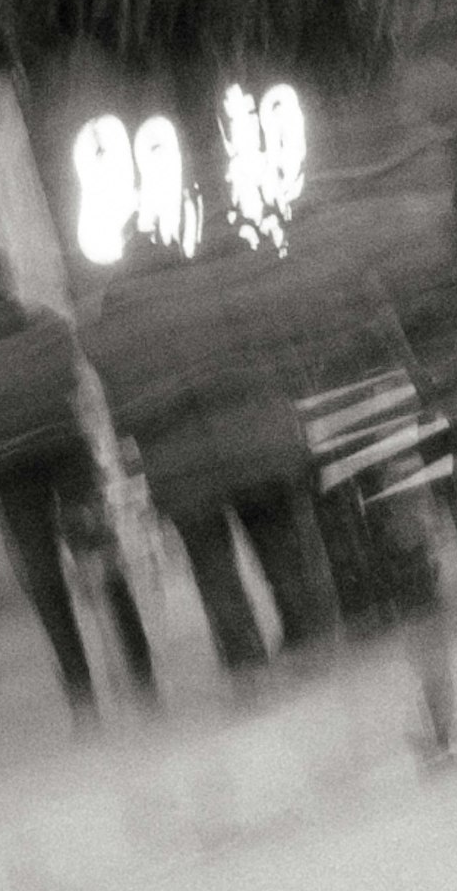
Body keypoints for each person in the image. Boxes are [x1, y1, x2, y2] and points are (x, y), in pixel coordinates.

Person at [86, 243, 342, 688]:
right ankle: (309, 639)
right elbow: (268, 351)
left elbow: (122, 413)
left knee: (211, 565)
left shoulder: (115, 323)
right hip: (255, 445)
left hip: (181, 465)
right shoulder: (219, 285)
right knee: (279, 544)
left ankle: (245, 660)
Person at [0, 239, 159, 724]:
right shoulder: (52, 327)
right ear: (5, 278)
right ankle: (141, 676)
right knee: (103, 562)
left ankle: (82, 697)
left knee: (47, 585)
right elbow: (86, 388)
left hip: (11, 478)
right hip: (68, 460)